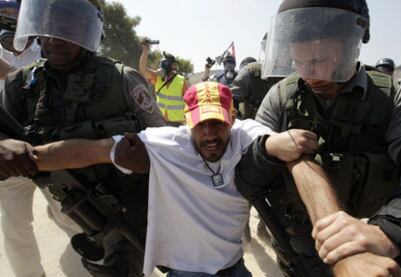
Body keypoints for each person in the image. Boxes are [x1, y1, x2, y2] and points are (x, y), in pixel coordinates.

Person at [24, 81, 319, 277]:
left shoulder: (245, 135)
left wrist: (276, 144)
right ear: (187, 121)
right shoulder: (166, 144)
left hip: (234, 269)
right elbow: (93, 151)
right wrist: (30, 157)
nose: (210, 134)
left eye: (218, 122)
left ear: (232, 118)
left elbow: (275, 142)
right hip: (184, 272)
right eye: (201, 124)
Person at [236, 0, 401, 276]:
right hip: (297, 254)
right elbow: (244, 176)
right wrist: (268, 149)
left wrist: (388, 231)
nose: (308, 73)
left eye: (319, 60)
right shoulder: (281, 97)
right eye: (298, 62)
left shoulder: (395, 99)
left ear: (351, 44)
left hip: (371, 257)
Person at [0, 0, 165, 276]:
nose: (56, 38)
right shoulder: (20, 85)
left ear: (89, 29)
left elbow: (165, 147)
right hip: (58, 188)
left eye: (69, 26)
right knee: (16, 226)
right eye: (49, 25)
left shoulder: (123, 81)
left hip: (122, 207)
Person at [0, 1, 80, 277]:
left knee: (69, 215)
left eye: (12, 14)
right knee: (14, 225)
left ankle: (85, 262)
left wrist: (7, 72)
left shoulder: (49, 46)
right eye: (2, 15)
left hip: (48, 149)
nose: (7, 21)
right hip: (9, 156)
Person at [139, 42, 189, 126]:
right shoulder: (157, 78)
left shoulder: (181, 81)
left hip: (178, 124)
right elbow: (143, 69)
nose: (162, 67)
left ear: (172, 65)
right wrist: (145, 51)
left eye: (165, 64)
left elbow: (190, 102)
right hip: (161, 122)